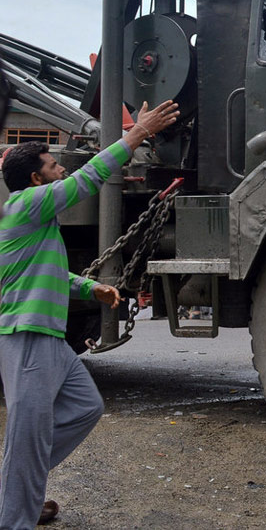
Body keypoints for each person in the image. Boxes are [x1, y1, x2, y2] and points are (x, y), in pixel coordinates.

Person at [0, 99, 179, 528]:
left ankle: (18, 486)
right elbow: (87, 179)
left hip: (48, 339)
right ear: (34, 178)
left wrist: (89, 286)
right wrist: (135, 135)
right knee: (28, 439)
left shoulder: (36, 223)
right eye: (51, 164)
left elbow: (48, 273)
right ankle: (14, 516)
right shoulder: (25, 204)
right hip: (26, 337)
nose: (60, 167)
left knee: (84, 407)